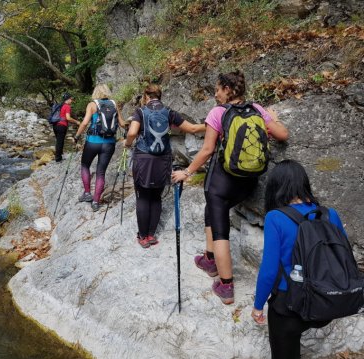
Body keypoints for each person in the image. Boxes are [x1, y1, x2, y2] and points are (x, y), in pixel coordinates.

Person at [171, 70, 289, 304]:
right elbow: (282, 134)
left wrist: (186, 172)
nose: (216, 94)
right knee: (212, 213)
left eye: (217, 89)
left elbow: (207, 150)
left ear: (227, 89)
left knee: (220, 229)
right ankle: (208, 256)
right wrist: (272, 119)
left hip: (221, 182)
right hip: (248, 182)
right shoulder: (257, 109)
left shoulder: (218, 113)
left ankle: (225, 285)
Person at [251, 160, 346, 359]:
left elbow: (269, 271)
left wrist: (258, 305)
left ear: (276, 186)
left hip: (290, 307)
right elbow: (345, 259)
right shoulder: (330, 214)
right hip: (327, 303)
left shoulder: (275, 218)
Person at [125, 84, 206, 248]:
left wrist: (127, 144)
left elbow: (132, 132)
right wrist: (212, 123)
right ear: (159, 96)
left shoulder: (140, 112)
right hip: (163, 159)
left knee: (143, 196)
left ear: (146, 96)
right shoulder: (169, 112)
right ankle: (151, 235)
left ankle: (143, 237)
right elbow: (191, 128)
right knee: (156, 196)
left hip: (144, 158)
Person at [73, 84, 126, 211]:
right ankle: (96, 202)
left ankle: (87, 193)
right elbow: (123, 124)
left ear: (95, 92)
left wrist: (76, 136)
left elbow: (85, 123)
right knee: (101, 172)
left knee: (85, 165)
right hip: (109, 144)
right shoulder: (114, 104)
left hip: (92, 142)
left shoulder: (92, 105)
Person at [54, 93, 81, 162]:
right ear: (68, 99)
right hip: (62, 125)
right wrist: (77, 122)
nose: (72, 100)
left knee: (58, 141)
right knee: (60, 142)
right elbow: (68, 118)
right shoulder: (67, 106)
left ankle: (58, 156)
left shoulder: (60, 106)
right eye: (71, 99)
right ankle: (58, 159)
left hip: (55, 125)